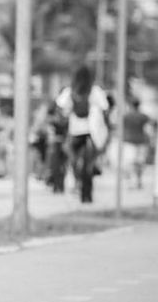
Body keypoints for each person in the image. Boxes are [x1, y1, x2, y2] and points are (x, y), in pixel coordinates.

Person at [55, 65, 110, 204]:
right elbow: (105, 108)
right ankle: (88, 191)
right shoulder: (95, 90)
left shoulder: (71, 91)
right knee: (92, 159)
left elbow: (61, 108)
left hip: (75, 131)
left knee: (71, 154)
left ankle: (76, 174)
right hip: (92, 131)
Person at [119, 98, 153, 190]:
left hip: (129, 141)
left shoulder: (126, 116)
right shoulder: (143, 116)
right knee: (139, 163)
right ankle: (138, 181)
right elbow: (151, 125)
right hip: (141, 141)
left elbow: (120, 127)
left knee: (130, 163)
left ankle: (131, 182)